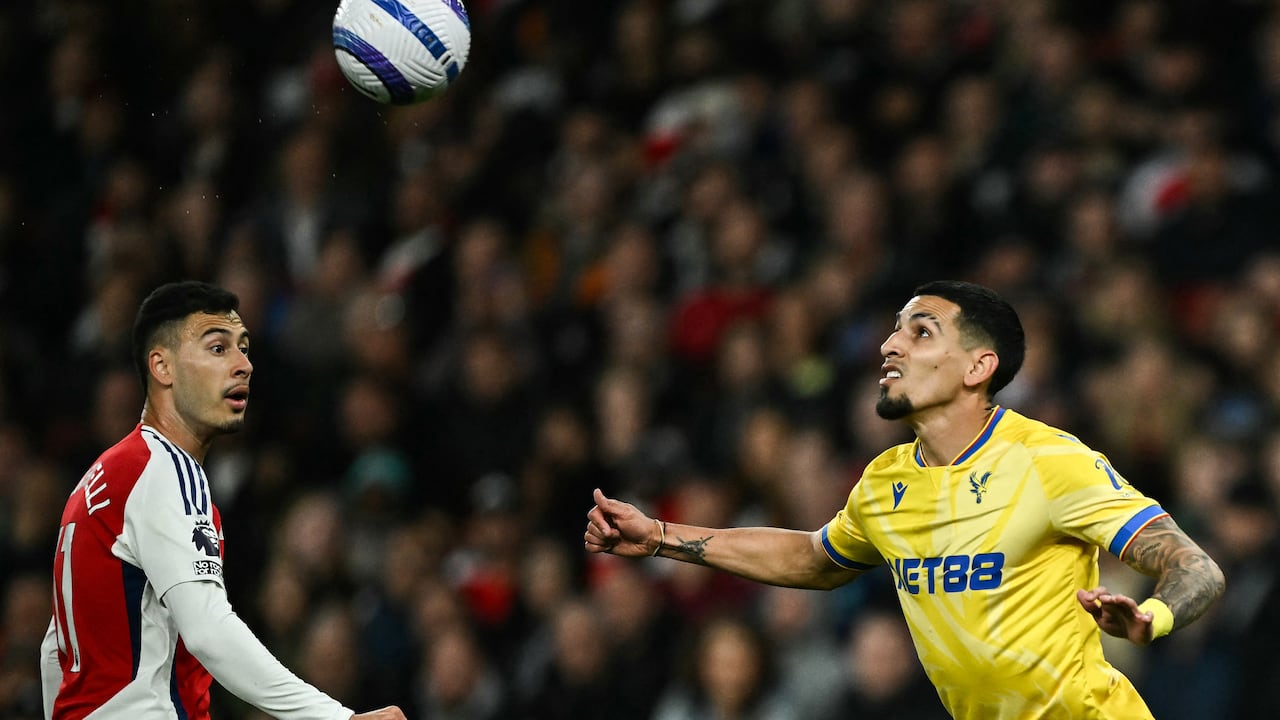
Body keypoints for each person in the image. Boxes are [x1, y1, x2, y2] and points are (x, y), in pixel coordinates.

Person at [585, 280, 1226, 719]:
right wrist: (661, 537)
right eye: (894, 331)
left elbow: (1195, 565)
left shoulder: (1049, 461)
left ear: (978, 367)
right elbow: (815, 558)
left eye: (921, 333)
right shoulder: (886, 483)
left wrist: (1153, 619)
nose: (890, 346)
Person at [39, 281, 405, 720]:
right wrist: (336, 717)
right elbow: (209, 629)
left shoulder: (99, 480)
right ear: (163, 367)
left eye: (244, 348)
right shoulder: (167, 472)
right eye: (218, 348)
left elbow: (54, 653)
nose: (243, 365)